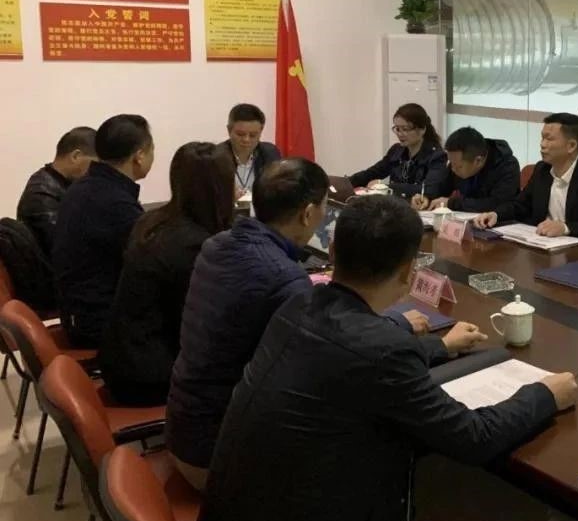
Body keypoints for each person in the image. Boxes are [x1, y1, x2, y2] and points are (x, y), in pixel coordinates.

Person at [190, 195, 577, 521]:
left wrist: (439, 346)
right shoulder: (383, 352)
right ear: (409, 272)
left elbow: (353, 352)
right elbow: (474, 437)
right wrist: (543, 395)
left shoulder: (297, 306)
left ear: (333, 250)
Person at [167, 157, 435, 491]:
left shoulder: (217, 243)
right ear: (308, 214)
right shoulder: (284, 279)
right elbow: (337, 358)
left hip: (182, 427)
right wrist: (415, 333)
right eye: (323, 208)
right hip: (219, 456)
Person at [98, 143, 235, 407]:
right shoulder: (194, 245)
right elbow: (201, 325)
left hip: (121, 357)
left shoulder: (152, 221)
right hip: (147, 376)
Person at [53, 115, 155, 347]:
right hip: (98, 324)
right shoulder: (114, 202)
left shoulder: (85, 187)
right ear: (139, 156)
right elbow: (152, 263)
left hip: (78, 314)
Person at [474, 113, 578, 242]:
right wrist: (496, 214)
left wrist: (565, 228)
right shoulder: (542, 170)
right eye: (542, 138)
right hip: (540, 245)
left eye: (549, 139)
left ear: (571, 146)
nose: (542, 144)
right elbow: (520, 205)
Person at [16, 126, 97, 255]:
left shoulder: (64, 184)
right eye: (95, 165)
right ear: (76, 156)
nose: (97, 172)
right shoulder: (41, 194)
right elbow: (66, 245)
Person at [350, 103, 450, 199]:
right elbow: (372, 173)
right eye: (397, 129)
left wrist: (386, 187)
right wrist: (347, 182)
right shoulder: (396, 151)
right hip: (396, 205)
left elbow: (430, 190)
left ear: (422, 129)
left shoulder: (436, 156)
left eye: (405, 129)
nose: (400, 134)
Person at [411, 126, 520, 213]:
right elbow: (442, 188)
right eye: (451, 163)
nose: (453, 169)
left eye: (458, 166)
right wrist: (426, 197)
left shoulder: (507, 166)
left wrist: (452, 203)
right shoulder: (457, 162)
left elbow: (497, 204)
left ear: (478, 161)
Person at [218, 103, 281, 197]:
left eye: (253, 135)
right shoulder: (215, 157)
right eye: (240, 134)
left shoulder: (270, 153)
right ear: (229, 130)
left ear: (261, 132)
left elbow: (278, 190)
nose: (246, 140)